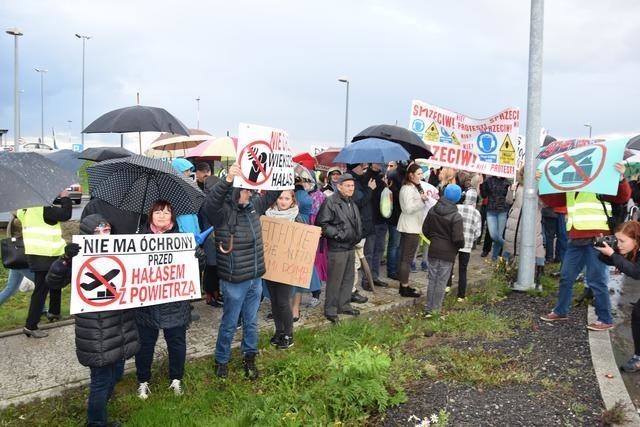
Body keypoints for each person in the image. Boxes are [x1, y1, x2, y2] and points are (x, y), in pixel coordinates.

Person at [46, 214, 139, 427]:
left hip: (120, 325)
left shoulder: (120, 253)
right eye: (98, 232)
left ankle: (100, 404)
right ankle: (95, 422)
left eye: (107, 231)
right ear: (87, 234)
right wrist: (65, 260)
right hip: (96, 329)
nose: (103, 236)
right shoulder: (78, 257)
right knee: (101, 379)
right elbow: (53, 282)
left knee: (116, 373)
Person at [203, 163, 276, 379]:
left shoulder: (254, 206)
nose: (249, 193)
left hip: (255, 277)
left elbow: (273, 193)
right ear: (235, 191)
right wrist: (227, 180)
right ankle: (221, 360)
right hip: (235, 280)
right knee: (230, 321)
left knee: (251, 321)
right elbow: (210, 203)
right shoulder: (222, 212)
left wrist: (280, 171)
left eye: (250, 190)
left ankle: (250, 357)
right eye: (244, 190)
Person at [540, 163, 631, 331]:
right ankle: (561, 311)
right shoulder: (570, 186)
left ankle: (605, 319)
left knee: (596, 280)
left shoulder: (599, 181)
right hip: (575, 240)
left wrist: (620, 178)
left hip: (597, 239)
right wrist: (543, 184)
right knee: (566, 277)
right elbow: (552, 200)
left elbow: (622, 197)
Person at [135, 200, 191, 399]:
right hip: (146, 305)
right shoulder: (138, 238)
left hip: (175, 304)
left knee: (176, 343)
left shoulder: (182, 239)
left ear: (172, 217)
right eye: (158, 212)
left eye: (166, 212)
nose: (162, 216)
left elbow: (195, 267)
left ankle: (176, 379)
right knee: (144, 345)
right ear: (151, 215)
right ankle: (143, 381)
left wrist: (196, 254)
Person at [19, 190, 72, 338]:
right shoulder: (42, 208)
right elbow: (65, 215)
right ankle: (31, 325)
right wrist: (65, 198)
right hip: (46, 253)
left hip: (36, 253)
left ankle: (54, 313)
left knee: (55, 283)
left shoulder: (24, 210)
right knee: (41, 291)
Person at [315, 173, 363, 323]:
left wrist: (357, 235)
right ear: (339, 186)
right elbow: (321, 224)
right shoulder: (330, 202)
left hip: (350, 246)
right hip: (337, 248)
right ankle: (330, 309)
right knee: (335, 280)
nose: (351, 188)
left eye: (352, 186)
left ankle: (344, 305)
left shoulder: (351, 202)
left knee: (348, 278)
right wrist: (338, 234)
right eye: (348, 185)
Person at [594, 221, 640, 371]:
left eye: (622, 241)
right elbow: (616, 261)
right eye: (617, 239)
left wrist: (613, 254)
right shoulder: (633, 249)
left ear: (636, 239)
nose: (619, 244)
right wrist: (604, 249)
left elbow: (635, 272)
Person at [264, 190, 301, 349]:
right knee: (274, 301)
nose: (283, 201)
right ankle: (279, 331)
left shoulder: (297, 218)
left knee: (283, 301)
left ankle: (288, 334)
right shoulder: (267, 216)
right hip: (270, 265)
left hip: (287, 267)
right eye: (280, 198)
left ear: (292, 201)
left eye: (287, 198)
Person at [422, 184, 465, 317]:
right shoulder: (456, 216)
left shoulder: (433, 210)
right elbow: (458, 239)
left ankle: (428, 309)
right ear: (457, 198)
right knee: (441, 282)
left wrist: (434, 240)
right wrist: (457, 247)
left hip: (434, 249)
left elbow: (425, 230)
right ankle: (435, 310)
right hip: (448, 253)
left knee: (432, 280)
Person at [502, 166, 545, 287]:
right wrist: (511, 190)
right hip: (515, 222)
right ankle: (509, 272)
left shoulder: (538, 187)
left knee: (536, 245)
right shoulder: (517, 186)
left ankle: (538, 273)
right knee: (512, 244)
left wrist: (540, 187)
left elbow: (544, 203)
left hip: (533, 222)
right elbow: (509, 201)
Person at [397, 164, 429, 298]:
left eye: (422, 174)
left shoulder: (415, 187)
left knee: (406, 257)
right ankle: (404, 287)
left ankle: (403, 285)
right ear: (411, 175)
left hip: (414, 226)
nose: (421, 176)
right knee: (407, 258)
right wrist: (421, 201)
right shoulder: (407, 189)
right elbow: (408, 209)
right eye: (418, 174)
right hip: (409, 227)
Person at [0, 213, 35, 306]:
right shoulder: (19, 219)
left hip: (15, 258)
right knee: (41, 284)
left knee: (11, 288)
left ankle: (42, 310)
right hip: (21, 258)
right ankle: (42, 310)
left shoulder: (14, 216)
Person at [455, 188, 482, 301]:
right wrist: (472, 238)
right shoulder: (476, 213)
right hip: (467, 244)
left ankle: (447, 286)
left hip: (454, 241)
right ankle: (461, 295)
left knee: (450, 265)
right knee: (463, 269)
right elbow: (478, 232)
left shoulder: (457, 207)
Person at [481, 175, 510, 260]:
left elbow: (509, 198)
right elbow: (484, 195)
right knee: (493, 235)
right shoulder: (488, 180)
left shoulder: (507, 182)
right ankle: (508, 247)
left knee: (499, 236)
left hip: (503, 211)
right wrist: (482, 186)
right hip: (491, 210)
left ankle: (494, 257)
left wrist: (511, 190)